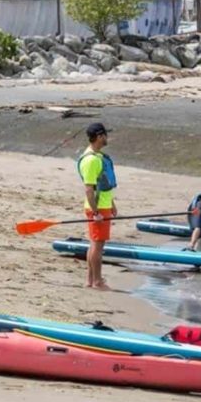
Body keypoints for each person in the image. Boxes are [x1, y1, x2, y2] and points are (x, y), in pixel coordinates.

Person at [77, 122, 117, 290]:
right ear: (99, 136)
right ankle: (97, 281)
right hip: (97, 208)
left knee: (94, 243)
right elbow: (89, 189)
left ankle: (90, 280)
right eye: (105, 135)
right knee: (98, 245)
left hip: (103, 205)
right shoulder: (92, 160)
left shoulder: (97, 156)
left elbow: (102, 184)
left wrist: (112, 203)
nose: (107, 137)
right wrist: (95, 212)